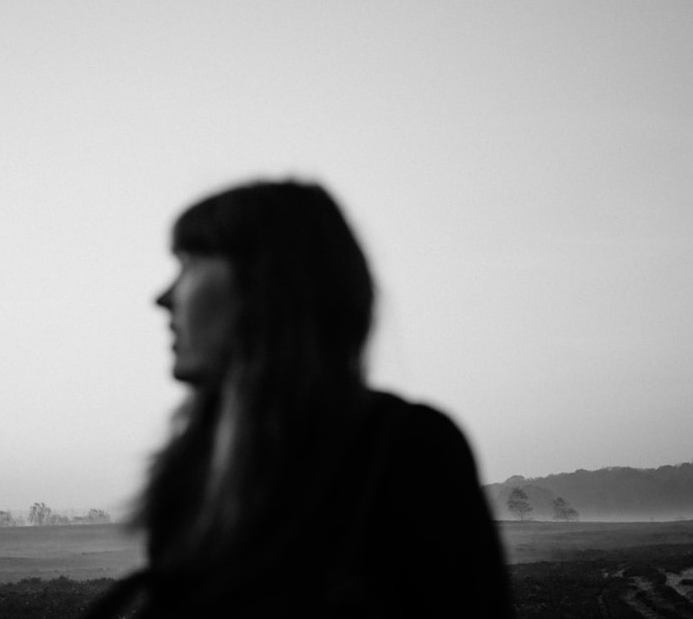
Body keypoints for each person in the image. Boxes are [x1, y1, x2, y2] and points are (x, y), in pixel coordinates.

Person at [87, 179, 513, 618]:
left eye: (190, 262)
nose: (163, 298)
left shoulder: (409, 450)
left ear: (267, 284)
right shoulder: (192, 469)